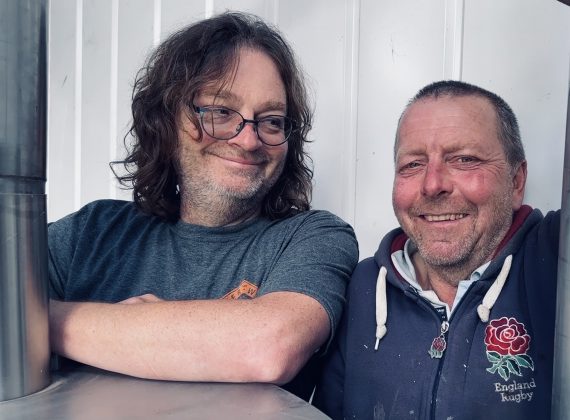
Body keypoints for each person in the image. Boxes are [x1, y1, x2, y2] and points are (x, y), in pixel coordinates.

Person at [47, 11, 358, 400]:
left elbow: (268, 346)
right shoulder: (90, 233)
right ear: (165, 121)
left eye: (271, 121)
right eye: (221, 112)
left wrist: (45, 320)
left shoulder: (314, 238)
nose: (248, 140)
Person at [313, 80, 560, 419]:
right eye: (413, 165)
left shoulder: (554, 263)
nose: (432, 185)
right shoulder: (363, 287)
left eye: (464, 159)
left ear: (516, 181)